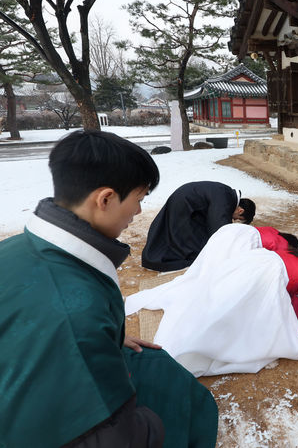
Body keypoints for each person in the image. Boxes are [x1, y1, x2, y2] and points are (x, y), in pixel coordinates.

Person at [0, 130, 218, 448]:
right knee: (175, 398)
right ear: (105, 199)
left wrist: (109, 337)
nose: (139, 212)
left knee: (151, 363)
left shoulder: (15, 249)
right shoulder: (76, 312)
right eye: (139, 200)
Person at [125, 224, 298, 376]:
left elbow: (295, 296)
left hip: (252, 261)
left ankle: (183, 342)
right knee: (230, 315)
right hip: (263, 275)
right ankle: (183, 350)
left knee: (217, 302)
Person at [141, 181, 256, 272]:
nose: (234, 219)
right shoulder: (226, 199)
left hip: (185, 201)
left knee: (190, 237)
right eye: (238, 218)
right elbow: (220, 229)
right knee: (192, 247)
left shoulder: (226, 195)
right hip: (184, 204)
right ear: (240, 211)